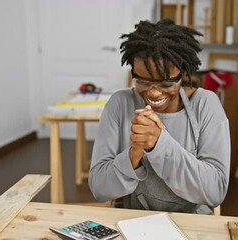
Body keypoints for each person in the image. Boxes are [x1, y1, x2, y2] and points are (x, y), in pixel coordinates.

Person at [88, 19, 230, 214]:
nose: (154, 93)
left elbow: (215, 192)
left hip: (193, 225)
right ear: (132, 72)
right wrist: (134, 153)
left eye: (166, 84)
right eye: (143, 81)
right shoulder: (119, 105)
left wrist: (159, 144)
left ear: (183, 73)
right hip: (134, 221)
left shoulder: (205, 105)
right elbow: (99, 188)